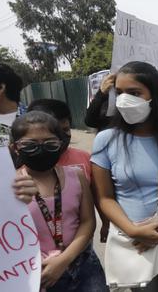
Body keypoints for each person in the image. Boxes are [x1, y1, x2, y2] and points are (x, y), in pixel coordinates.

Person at [91, 61, 158, 291]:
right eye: (118, 92)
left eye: (134, 92)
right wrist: (132, 230)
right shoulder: (106, 140)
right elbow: (105, 198)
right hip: (133, 240)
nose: (124, 99)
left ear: (154, 96)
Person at [10, 111, 107, 291]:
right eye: (30, 145)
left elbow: (87, 222)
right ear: (15, 147)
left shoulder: (76, 176)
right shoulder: (10, 187)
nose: (41, 149)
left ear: (61, 144)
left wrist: (64, 260)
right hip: (38, 274)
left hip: (83, 265)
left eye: (50, 143)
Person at [27, 99, 110, 243]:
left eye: (65, 130)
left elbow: (97, 195)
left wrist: (106, 223)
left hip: (81, 242)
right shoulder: (23, 166)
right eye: (54, 132)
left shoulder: (84, 158)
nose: (61, 137)